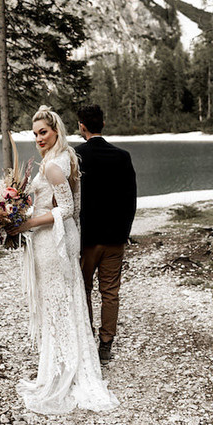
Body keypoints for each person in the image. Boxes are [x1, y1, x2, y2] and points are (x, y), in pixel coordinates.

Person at [11, 105, 118, 415]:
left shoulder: (54, 166)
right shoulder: (67, 158)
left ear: (55, 130)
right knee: (62, 301)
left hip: (53, 241)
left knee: (59, 302)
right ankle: (63, 360)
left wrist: (27, 223)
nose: (38, 138)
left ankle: (63, 369)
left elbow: (70, 209)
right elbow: (69, 206)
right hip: (61, 238)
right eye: (34, 134)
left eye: (43, 132)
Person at [76, 104, 137, 363]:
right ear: (103, 124)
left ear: (82, 126)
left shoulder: (75, 155)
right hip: (114, 237)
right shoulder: (122, 156)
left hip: (86, 239)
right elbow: (130, 198)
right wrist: (124, 232)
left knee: (84, 289)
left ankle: (87, 338)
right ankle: (106, 343)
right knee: (110, 291)